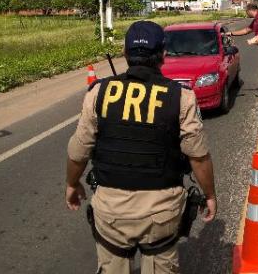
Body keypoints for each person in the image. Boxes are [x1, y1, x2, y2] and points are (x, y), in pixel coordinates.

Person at [65, 20, 217, 274]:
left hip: (111, 212)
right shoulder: (181, 96)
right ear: (164, 55)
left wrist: (72, 184)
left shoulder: (98, 92)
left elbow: (78, 151)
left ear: (125, 54)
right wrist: (210, 195)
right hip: (161, 212)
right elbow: (198, 157)